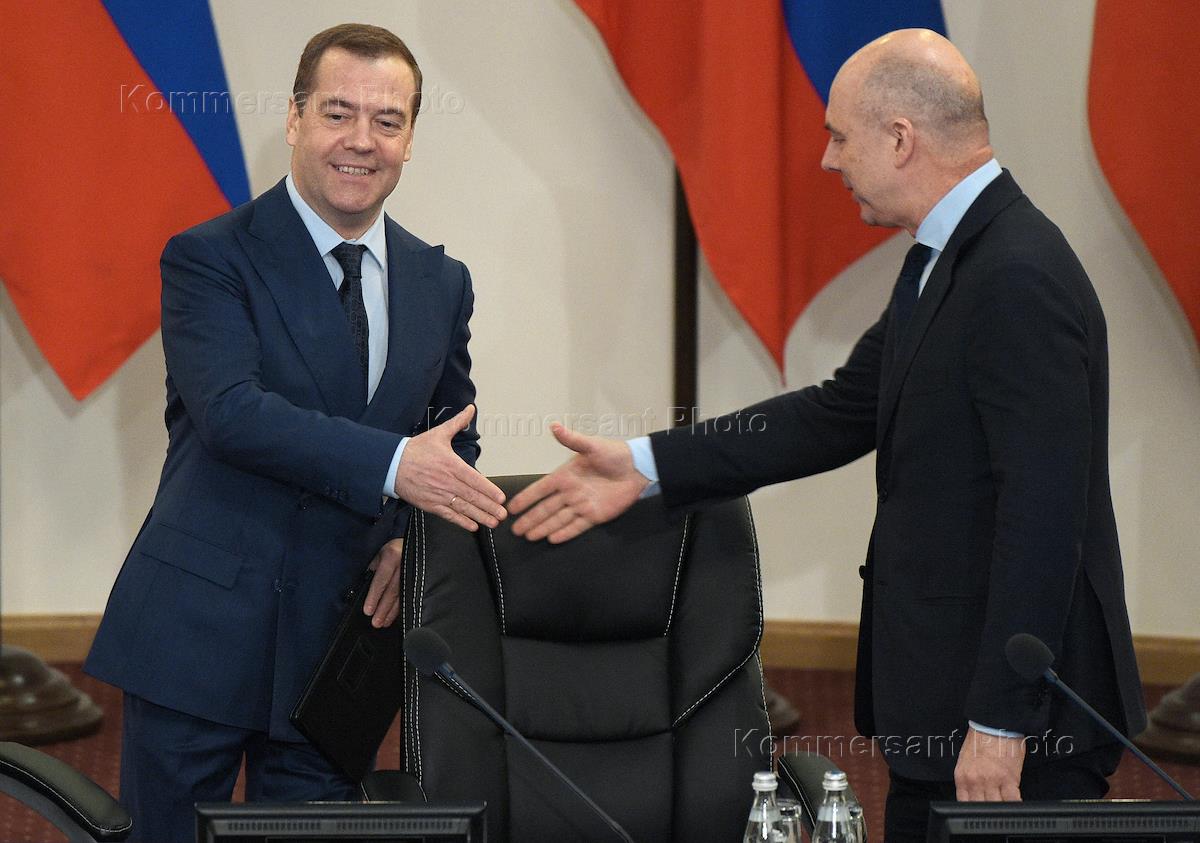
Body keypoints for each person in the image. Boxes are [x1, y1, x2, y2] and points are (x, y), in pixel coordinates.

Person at [509, 28, 1146, 843]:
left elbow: (1044, 518)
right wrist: (646, 463)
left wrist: (1001, 721)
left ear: (900, 138)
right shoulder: (949, 255)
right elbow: (838, 411)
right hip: (949, 702)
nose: (827, 158)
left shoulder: (1015, 274)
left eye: (840, 136)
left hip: (1014, 725)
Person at [84, 24, 507, 843]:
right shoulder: (210, 257)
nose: (361, 140)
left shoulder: (441, 281)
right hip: (198, 633)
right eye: (338, 112)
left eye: (387, 120)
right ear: (293, 118)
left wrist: (411, 536)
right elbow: (232, 413)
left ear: (411, 139)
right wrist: (396, 468)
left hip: (339, 649)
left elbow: (450, 438)